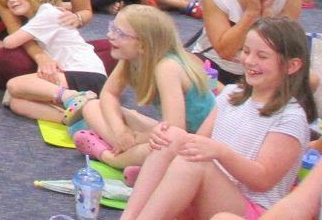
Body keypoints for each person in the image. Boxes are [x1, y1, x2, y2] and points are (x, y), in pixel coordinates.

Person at [120, 18, 315, 220]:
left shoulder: (290, 117)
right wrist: (164, 138)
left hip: (253, 211)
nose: (249, 61)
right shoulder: (232, 93)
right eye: (246, 51)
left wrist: (221, 153)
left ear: (291, 66)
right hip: (212, 192)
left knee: (195, 163)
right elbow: (196, 143)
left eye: (262, 56)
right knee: (173, 136)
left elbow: (262, 180)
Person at [73, 5, 216, 171]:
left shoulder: (167, 67)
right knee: (92, 106)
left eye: (120, 33)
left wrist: (139, 138)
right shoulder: (129, 56)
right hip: (171, 131)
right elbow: (109, 94)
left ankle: (110, 157)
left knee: (157, 147)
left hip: (195, 143)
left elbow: (175, 130)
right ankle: (135, 160)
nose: (109, 35)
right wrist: (121, 131)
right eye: (112, 28)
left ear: (143, 45)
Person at [0, 0, 107, 123]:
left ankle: (72, 98)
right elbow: (13, 44)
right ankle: (73, 118)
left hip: (86, 74)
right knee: (15, 102)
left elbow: (10, 42)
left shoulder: (47, 13)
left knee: (14, 85)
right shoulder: (37, 19)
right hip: (76, 76)